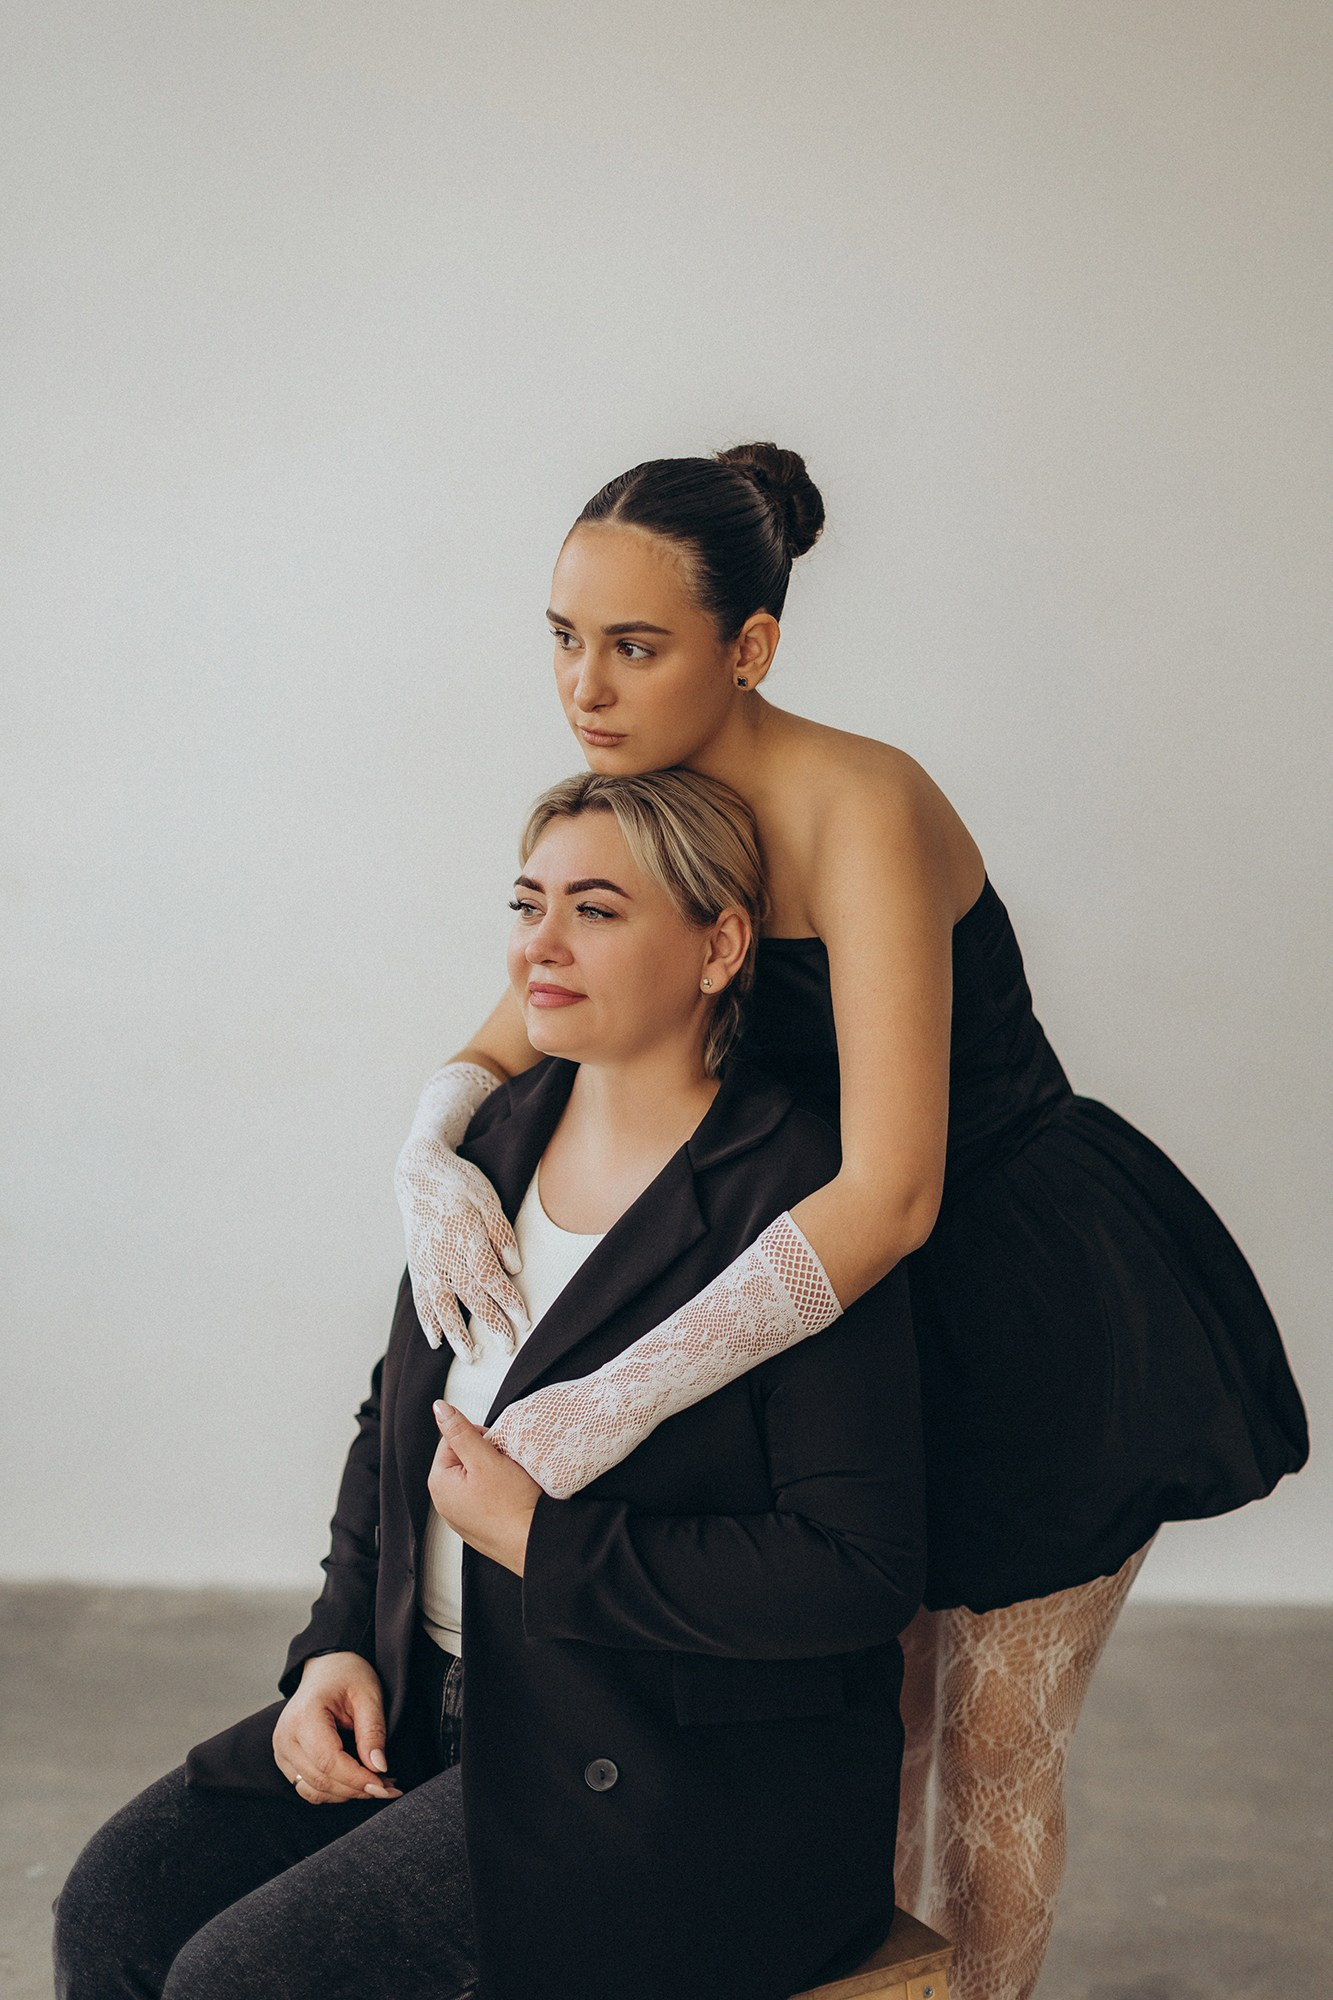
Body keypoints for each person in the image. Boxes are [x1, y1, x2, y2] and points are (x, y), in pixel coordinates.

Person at [394, 442, 1311, 2000]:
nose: (585, 689)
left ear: (749, 646)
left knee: (993, 1752)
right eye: (563, 637)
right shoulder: (644, 804)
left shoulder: (863, 805)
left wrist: (613, 1396)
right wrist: (426, 1153)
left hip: (1018, 1309)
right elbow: (514, 1031)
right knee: (847, 1738)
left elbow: (895, 1189)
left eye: (635, 646)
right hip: (812, 1323)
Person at [52, 769, 927, 2000]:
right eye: (527, 903)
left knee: (239, 1980)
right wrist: (336, 1647)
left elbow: (856, 1569)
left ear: (720, 945)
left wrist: (543, 1539)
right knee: (115, 1907)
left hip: (663, 1766)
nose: (539, 945)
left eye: (596, 909)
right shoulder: (484, 1154)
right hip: (426, 1707)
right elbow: (394, 1422)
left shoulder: (797, 1200)